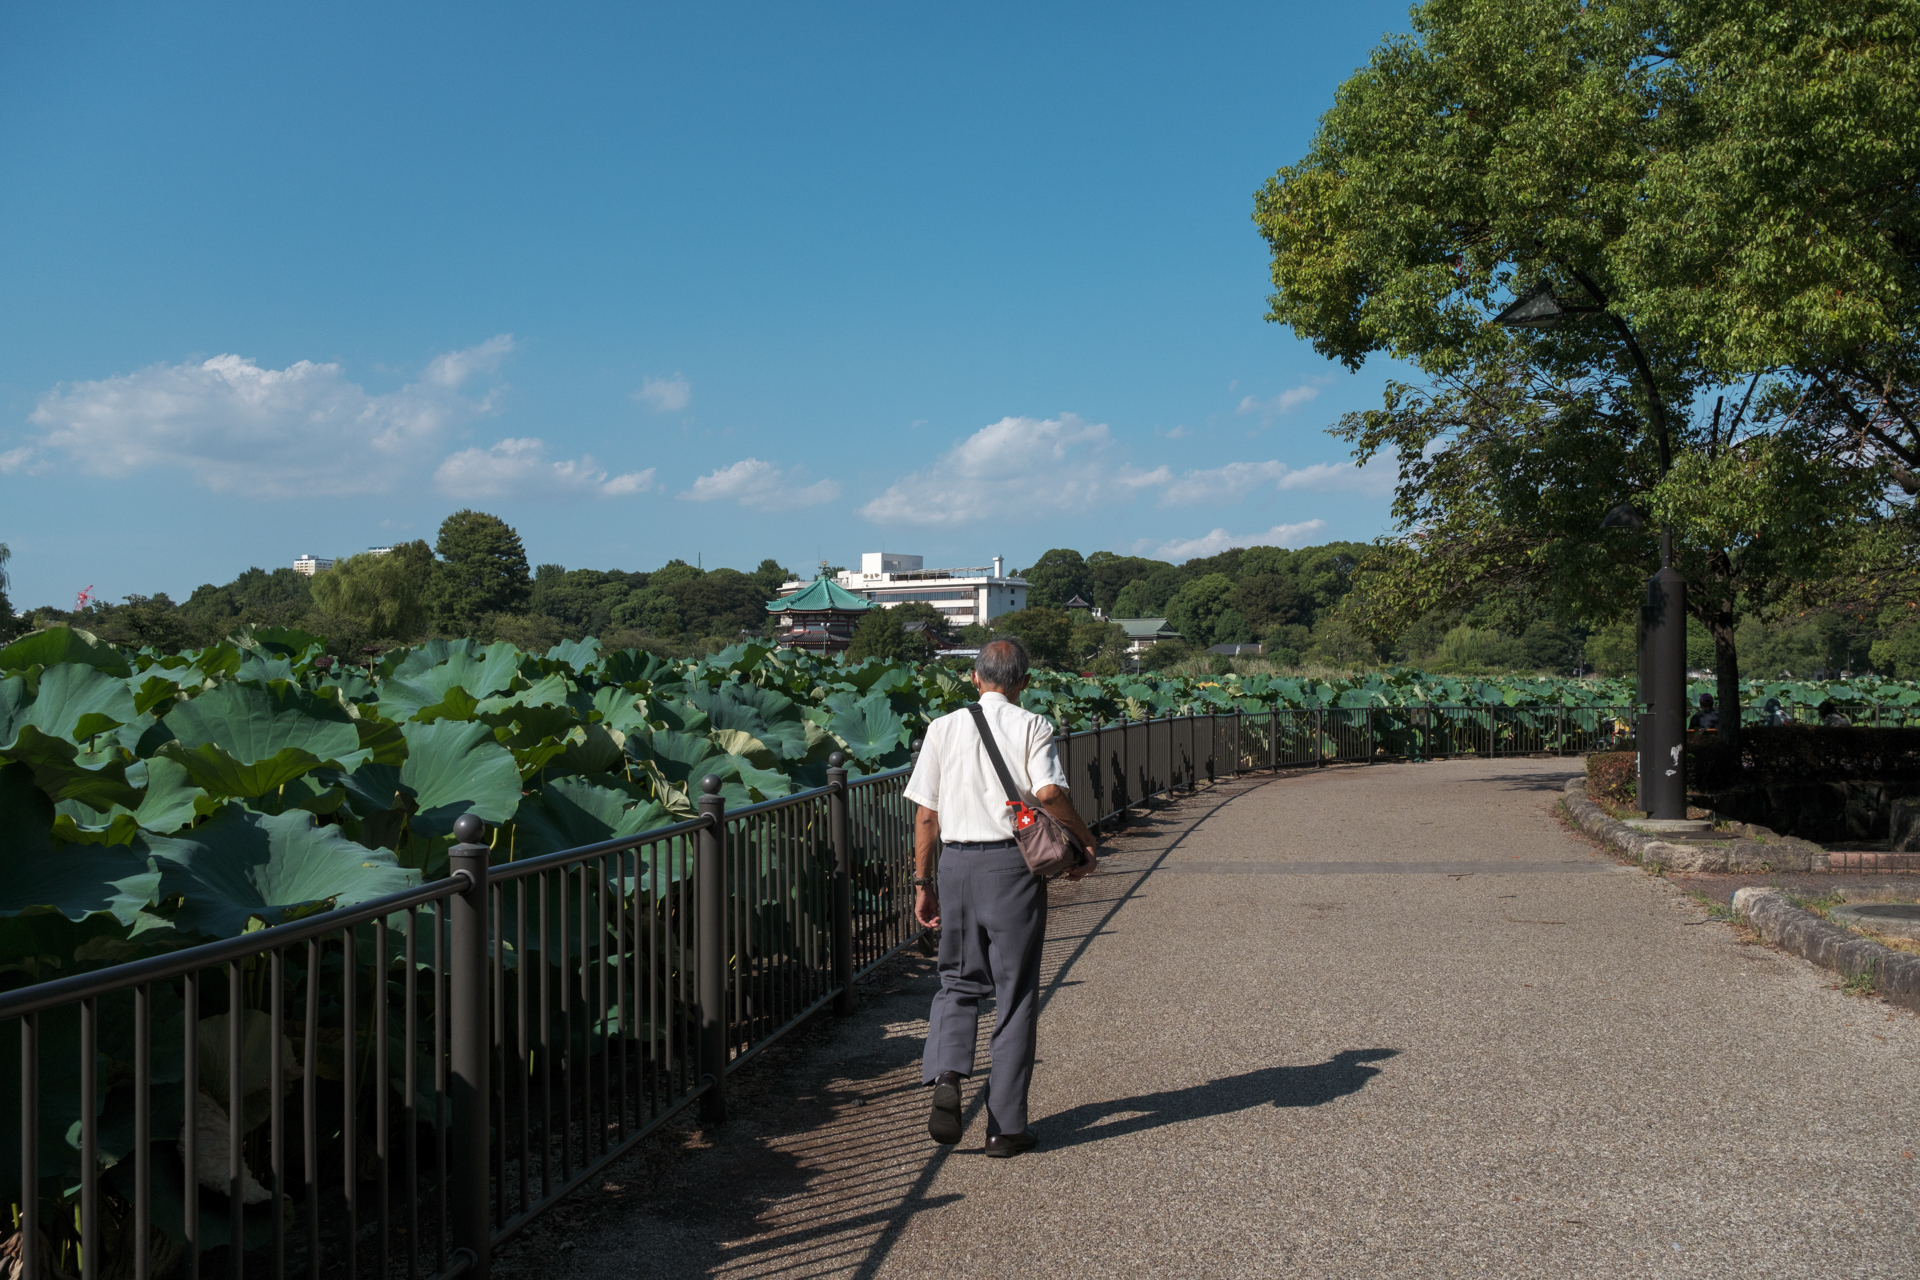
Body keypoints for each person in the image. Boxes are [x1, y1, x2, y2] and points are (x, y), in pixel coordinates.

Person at [904, 635, 1100, 1157]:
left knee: (956, 982)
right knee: (1014, 994)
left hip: (955, 865)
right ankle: (1004, 1129)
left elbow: (926, 816)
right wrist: (1084, 840)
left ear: (974, 677)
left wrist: (923, 884)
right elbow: (1049, 793)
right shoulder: (1033, 725)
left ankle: (948, 1074)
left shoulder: (942, 727)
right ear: (1024, 683)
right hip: (1012, 868)